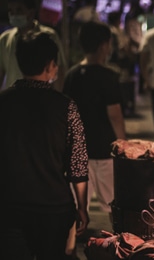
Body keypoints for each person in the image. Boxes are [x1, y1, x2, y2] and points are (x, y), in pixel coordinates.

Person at [0, 31, 89, 259]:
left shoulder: (4, 102)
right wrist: (82, 207)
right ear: (51, 65)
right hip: (54, 208)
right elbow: (78, 165)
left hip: (9, 205)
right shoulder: (66, 107)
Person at [63, 21, 126, 218]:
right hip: (104, 149)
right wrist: (124, 143)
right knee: (113, 203)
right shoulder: (108, 76)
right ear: (104, 46)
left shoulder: (71, 75)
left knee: (77, 205)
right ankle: (117, 243)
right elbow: (114, 114)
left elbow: (66, 114)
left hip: (78, 149)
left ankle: (70, 245)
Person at [0, 0, 67, 91]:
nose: (14, 15)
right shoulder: (5, 39)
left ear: (31, 13)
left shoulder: (49, 36)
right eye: (11, 11)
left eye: (19, 10)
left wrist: (57, 98)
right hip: (13, 99)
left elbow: (59, 69)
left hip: (41, 98)